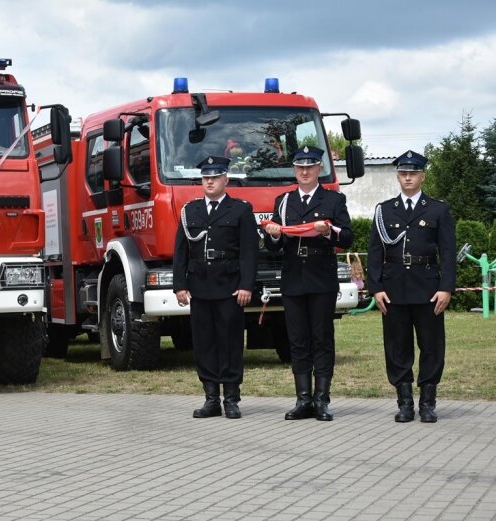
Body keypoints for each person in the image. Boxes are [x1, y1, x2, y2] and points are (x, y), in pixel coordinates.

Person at [262, 146, 353, 421]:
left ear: (318, 169)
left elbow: (347, 237)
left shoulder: (333, 200)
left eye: (310, 166)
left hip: (321, 275)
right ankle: (303, 399)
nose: (304, 171)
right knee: (298, 340)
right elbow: (272, 245)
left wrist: (328, 233)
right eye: (299, 166)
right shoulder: (284, 201)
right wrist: (275, 235)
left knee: (322, 339)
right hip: (293, 277)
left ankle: (321, 399)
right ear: (294, 169)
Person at [367, 150, 455, 423]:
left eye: (413, 173)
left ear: (422, 176)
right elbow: (374, 253)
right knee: (397, 346)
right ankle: (404, 402)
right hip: (393, 290)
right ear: (397, 176)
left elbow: (448, 252)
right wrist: (376, 287)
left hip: (428, 288)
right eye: (404, 173)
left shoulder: (438, 209)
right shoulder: (384, 210)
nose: (408, 178)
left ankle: (427, 402)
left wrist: (446, 287)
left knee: (431, 346)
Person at [173, 155, 259, 419]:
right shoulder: (190, 211)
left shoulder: (241, 210)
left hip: (229, 286)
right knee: (204, 343)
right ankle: (211, 397)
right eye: (205, 177)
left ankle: (231, 398)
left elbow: (249, 252)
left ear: (226, 179)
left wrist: (246, 285)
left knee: (230, 342)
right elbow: (180, 251)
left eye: (215, 177)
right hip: (200, 286)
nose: (209, 181)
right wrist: (180, 285)